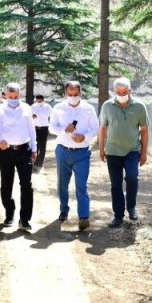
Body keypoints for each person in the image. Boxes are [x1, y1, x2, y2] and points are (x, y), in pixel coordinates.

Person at [98, 77, 149, 228]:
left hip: (132, 150)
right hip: (113, 151)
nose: (121, 95)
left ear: (130, 91)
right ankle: (118, 216)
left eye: (124, 92)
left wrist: (144, 152)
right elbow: (103, 128)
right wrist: (101, 149)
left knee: (132, 177)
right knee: (116, 184)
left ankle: (131, 207)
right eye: (118, 93)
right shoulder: (107, 106)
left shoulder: (139, 106)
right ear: (114, 92)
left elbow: (144, 131)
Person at [49, 81, 99, 231]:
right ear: (65, 93)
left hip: (82, 153)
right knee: (62, 184)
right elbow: (52, 128)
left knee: (81, 185)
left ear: (80, 93)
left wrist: (84, 137)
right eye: (70, 94)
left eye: (75, 94)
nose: (73, 97)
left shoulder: (88, 109)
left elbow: (95, 128)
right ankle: (64, 210)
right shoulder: (58, 108)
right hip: (63, 151)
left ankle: (83, 217)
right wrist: (64, 130)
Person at [0, 83, 37, 231]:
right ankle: (9, 213)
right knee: (6, 184)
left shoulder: (26, 108)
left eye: (16, 96)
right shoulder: (0, 109)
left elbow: (31, 128)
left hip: (24, 150)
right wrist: (0, 139)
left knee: (26, 185)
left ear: (20, 95)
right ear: (5, 95)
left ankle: (24, 219)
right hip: (6, 151)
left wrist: (34, 148)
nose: (13, 99)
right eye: (10, 97)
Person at [31, 94, 52, 170]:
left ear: (43, 100)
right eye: (37, 101)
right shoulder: (33, 106)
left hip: (44, 128)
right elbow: (30, 115)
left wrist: (38, 115)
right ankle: (34, 163)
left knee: (42, 147)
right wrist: (32, 116)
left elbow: (50, 115)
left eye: (40, 101)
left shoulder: (47, 107)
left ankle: (39, 164)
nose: (38, 102)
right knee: (35, 146)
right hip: (35, 128)